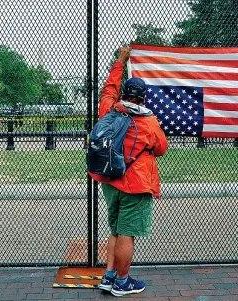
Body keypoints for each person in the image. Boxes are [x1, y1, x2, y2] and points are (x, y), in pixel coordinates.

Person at [89, 47, 168, 297]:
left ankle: (109, 276)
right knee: (127, 233)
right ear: (143, 98)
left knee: (115, 229)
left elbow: (108, 89)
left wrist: (120, 62)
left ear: (123, 94)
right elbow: (161, 148)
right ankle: (122, 282)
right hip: (136, 183)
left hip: (109, 180)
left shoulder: (109, 109)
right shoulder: (149, 121)